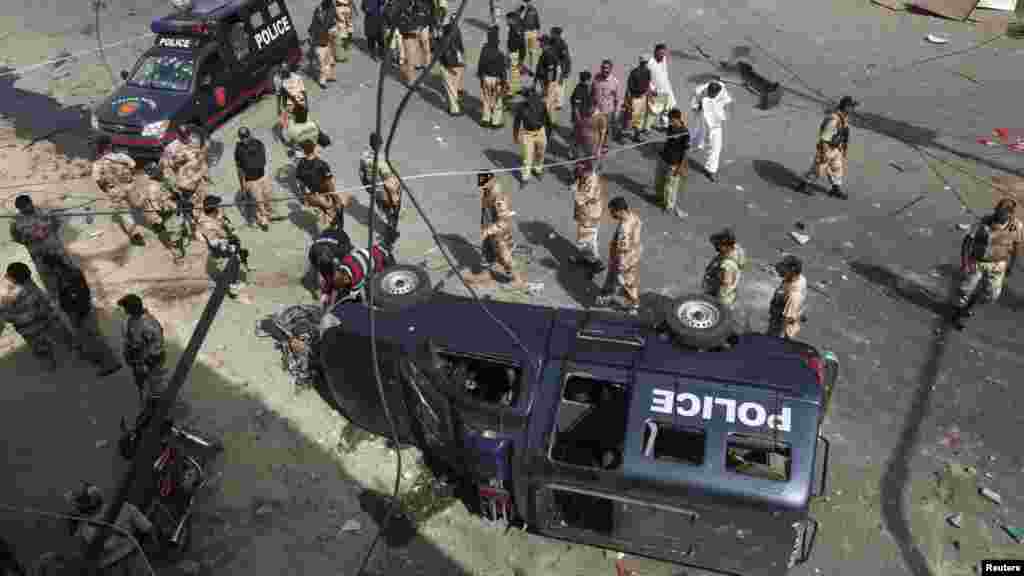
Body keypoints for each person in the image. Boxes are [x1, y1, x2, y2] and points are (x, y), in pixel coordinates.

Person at [41, 253, 121, 377]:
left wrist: (78, 315)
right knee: (92, 338)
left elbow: (79, 296)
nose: (47, 271)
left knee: (94, 339)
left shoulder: (67, 277)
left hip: (80, 312)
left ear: (53, 266)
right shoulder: (68, 274)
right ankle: (108, 362)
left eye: (47, 268)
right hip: (80, 312)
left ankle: (110, 364)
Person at [952, 198, 1023, 330]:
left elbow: (1017, 246)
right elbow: (967, 241)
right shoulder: (983, 221)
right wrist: (965, 263)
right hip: (977, 261)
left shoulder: (1016, 227)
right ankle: (958, 313)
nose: (997, 214)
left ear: (1010, 214)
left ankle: (970, 305)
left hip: (998, 264)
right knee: (965, 290)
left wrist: (1011, 266)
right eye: (997, 210)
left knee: (991, 295)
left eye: (1001, 212)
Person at [66, 483, 156, 576]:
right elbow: (149, 529)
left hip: (115, 566)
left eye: (77, 502)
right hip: (132, 558)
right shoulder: (124, 507)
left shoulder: (82, 526)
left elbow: (83, 555)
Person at [0, 262, 73, 372]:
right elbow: (5, 315)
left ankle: (71, 347)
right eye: (25, 280)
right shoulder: (5, 293)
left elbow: (40, 297)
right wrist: (28, 316)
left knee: (61, 335)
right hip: (29, 328)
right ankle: (50, 363)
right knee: (41, 347)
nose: (28, 281)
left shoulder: (26, 280)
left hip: (44, 320)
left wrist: (47, 309)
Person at [796, 96, 857, 199]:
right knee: (818, 170)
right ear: (846, 107)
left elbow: (844, 133)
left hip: (836, 148)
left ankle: (835, 189)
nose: (853, 109)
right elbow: (824, 138)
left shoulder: (844, 117)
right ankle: (803, 185)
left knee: (837, 168)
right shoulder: (833, 120)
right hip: (827, 148)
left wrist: (844, 149)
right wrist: (824, 153)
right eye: (851, 107)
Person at [9, 194, 68, 299]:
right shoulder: (16, 221)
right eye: (21, 208)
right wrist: (29, 239)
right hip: (38, 255)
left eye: (26, 206)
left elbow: (57, 223)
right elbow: (16, 237)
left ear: (30, 203)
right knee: (48, 277)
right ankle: (56, 298)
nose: (24, 209)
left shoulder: (45, 212)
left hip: (55, 249)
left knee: (66, 271)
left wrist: (47, 233)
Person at [92, 134, 147, 245]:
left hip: (115, 192)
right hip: (130, 187)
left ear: (98, 148)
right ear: (110, 145)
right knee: (140, 204)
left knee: (124, 214)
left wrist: (107, 190)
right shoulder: (122, 156)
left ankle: (136, 236)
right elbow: (133, 166)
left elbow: (98, 181)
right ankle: (155, 217)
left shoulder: (97, 165)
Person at [118, 293, 167, 412]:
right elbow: (128, 340)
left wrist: (146, 361)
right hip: (137, 359)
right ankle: (147, 402)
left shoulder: (149, 324)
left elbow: (157, 344)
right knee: (141, 381)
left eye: (126, 308)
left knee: (154, 383)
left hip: (150, 359)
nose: (124, 310)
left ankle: (157, 406)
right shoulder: (129, 321)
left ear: (133, 308)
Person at [596, 196, 642, 315]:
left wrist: (620, 267)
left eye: (613, 211)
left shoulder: (624, 229)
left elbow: (622, 249)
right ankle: (607, 294)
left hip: (624, 259)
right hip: (634, 254)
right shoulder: (634, 216)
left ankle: (633, 304)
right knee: (616, 278)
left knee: (626, 282)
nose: (612, 214)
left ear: (620, 211)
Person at [196, 196, 246, 299]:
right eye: (217, 206)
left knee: (235, 259)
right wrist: (229, 241)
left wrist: (230, 229)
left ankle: (231, 279)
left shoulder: (216, 213)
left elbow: (224, 221)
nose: (219, 207)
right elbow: (214, 242)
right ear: (213, 209)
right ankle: (232, 288)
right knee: (232, 265)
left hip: (225, 242)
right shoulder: (206, 224)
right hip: (219, 248)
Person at [316, 242, 394, 308]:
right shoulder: (347, 269)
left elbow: (355, 291)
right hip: (362, 266)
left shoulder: (348, 269)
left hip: (362, 267)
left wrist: (326, 294)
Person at [478, 171, 524, 284]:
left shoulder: (499, 198)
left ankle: (518, 280)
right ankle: (486, 272)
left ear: (491, 182)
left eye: (484, 183)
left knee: (506, 259)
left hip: (499, 235)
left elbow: (504, 222)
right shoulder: (487, 191)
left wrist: (488, 231)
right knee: (488, 254)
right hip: (489, 230)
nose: (482, 186)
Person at [295, 140, 352, 229]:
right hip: (324, 194)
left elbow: (300, 183)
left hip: (313, 196)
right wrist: (335, 199)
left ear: (304, 151)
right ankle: (338, 225)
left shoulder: (300, 165)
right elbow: (329, 183)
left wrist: (305, 198)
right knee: (341, 202)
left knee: (328, 210)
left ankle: (332, 219)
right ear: (313, 149)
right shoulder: (322, 164)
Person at [159, 124, 208, 224]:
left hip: (198, 178)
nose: (186, 138)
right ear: (177, 135)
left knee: (204, 201)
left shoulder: (194, 141)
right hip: (185, 181)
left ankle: (207, 221)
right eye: (183, 136)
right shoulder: (171, 148)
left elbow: (201, 157)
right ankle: (193, 223)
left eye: (187, 135)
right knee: (191, 206)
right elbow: (164, 165)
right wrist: (178, 161)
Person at [360, 133, 402, 245]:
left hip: (374, 190)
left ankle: (389, 230)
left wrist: (367, 188)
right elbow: (388, 181)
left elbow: (361, 173)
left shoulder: (364, 156)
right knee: (392, 213)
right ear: (380, 144)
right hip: (384, 191)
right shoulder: (381, 160)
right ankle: (390, 234)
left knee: (383, 210)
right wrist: (395, 197)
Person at [234, 127, 275, 230]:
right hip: (251, 180)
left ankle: (269, 214)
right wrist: (243, 187)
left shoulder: (258, 143)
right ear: (240, 138)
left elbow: (262, 162)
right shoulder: (238, 150)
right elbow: (240, 170)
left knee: (268, 196)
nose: (245, 139)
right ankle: (262, 219)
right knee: (258, 201)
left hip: (263, 176)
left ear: (250, 135)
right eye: (242, 137)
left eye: (246, 136)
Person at [690, 79, 732, 183]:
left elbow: (728, 103)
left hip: (716, 123)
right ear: (707, 90)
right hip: (702, 120)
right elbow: (693, 105)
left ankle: (710, 170)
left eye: (714, 94)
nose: (711, 96)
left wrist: (725, 114)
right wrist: (697, 106)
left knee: (716, 146)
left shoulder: (722, 90)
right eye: (710, 93)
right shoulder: (699, 91)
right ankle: (685, 148)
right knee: (697, 137)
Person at [568, 160, 606, 274]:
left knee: (586, 240)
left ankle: (595, 262)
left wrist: (574, 191)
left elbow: (582, 199)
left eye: (580, 172)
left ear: (587, 171)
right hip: (589, 213)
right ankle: (588, 258)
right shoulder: (588, 176)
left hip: (589, 214)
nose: (578, 174)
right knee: (589, 238)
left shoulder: (591, 182)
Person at [654, 108, 690, 216]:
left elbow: (686, 152)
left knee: (670, 187)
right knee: (658, 181)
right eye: (669, 120)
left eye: (671, 120)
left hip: (674, 164)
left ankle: (669, 206)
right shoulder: (670, 128)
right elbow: (668, 142)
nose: (670, 122)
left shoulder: (685, 134)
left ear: (677, 119)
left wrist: (680, 167)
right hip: (663, 159)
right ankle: (660, 198)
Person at [702, 228, 746, 310]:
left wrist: (714, 300)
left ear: (726, 246)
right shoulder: (737, 250)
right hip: (731, 296)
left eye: (718, 245)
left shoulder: (727, 265)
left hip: (720, 300)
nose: (716, 246)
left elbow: (725, 284)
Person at [513, 85, 548, 184]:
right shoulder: (521, 107)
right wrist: (515, 136)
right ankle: (525, 177)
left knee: (540, 153)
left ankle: (537, 169)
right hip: (527, 134)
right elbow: (517, 122)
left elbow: (547, 120)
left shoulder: (542, 104)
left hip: (540, 132)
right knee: (527, 158)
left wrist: (547, 135)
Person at [768, 255, 807, 339]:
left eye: (784, 271)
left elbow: (787, 318)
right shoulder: (799, 278)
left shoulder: (794, 295)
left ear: (792, 272)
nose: (780, 272)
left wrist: (780, 337)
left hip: (780, 329)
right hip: (777, 319)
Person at [477, 26, 508, 128]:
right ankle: (495, 121)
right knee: (497, 101)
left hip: (486, 77)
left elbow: (480, 66)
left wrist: (481, 77)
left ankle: (485, 119)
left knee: (486, 99)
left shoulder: (484, 51)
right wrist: (504, 82)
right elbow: (503, 71)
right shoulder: (500, 54)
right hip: (497, 80)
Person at [591, 59, 620, 157]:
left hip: (608, 111)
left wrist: (616, 112)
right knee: (595, 129)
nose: (604, 70)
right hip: (596, 110)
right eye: (603, 68)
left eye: (607, 68)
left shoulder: (615, 82)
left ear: (611, 69)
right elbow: (592, 92)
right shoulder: (596, 78)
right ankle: (595, 144)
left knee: (607, 130)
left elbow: (617, 98)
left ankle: (605, 146)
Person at [438, 14, 466, 116]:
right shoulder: (457, 31)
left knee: (450, 87)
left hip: (448, 64)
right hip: (457, 62)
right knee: (454, 85)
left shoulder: (445, 33)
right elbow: (461, 48)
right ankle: (455, 105)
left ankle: (454, 109)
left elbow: (441, 50)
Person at [622, 54, 654, 142]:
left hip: (641, 97)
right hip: (636, 98)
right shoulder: (638, 72)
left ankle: (635, 135)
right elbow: (630, 87)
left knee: (637, 117)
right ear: (646, 62)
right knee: (633, 117)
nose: (645, 63)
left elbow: (646, 85)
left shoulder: (644, 72)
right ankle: (629, 136)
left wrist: (648, 94)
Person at [646, 44, 676, 131]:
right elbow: (647, 78)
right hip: (656, 90)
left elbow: (665, 73)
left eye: (664, 53)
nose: (662, 56)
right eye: (661, 54)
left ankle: (665, 125)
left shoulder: (664, 60)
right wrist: (652, 89)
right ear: (655, 52)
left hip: (666, 87)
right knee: (654, 110)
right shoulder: (650, 63)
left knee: (668, 107)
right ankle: (646, 127)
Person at [533, 36, 561, 127]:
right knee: (550, 101)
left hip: (549, 82)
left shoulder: (548, 54)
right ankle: (551, 120)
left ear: (544, 43)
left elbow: (550, 70)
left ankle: (550, 122)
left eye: (540, 42)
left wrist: (548, 84)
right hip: (548, 81)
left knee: (549, 102)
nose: (539, 43)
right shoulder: (547, 52)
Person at [569, 70, 595, 160]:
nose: (589, 82)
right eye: (588, 80)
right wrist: (579, 121)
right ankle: (572, 153)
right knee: (576, 136)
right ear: (586, 80)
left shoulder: (587, 88)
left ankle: (577, 153)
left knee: (580, 136)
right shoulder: (579, 90)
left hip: (585, 117)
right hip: (579, 118)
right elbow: (576, 108)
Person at [310, 1, 337, 88]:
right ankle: (322, 82)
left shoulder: (331, 9)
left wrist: (333, 29)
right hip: (319, 42)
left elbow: (331, 21)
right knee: (322, 63)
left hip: (327, 40)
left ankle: (328, 77)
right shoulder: (319, 11)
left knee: (328, 61)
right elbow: (313, 26)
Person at [547, 27, 571, 110]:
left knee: (560, 85)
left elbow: (566, 59)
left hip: (559, 67)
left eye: (552, 33)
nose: (551, 34)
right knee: (551, 83)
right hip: (551, 66)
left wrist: (565, 72)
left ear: (557, 34)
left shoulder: (562, 44)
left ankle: (559, 104)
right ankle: (551, 100)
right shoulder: (550, 42)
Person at [278, 62, 307, 131]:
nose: (285, 70)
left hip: (300, 103)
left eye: (286, 67)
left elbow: (303, 91)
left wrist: (306, 104)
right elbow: (282, 97)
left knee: (303, 120)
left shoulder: (297, 77)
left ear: (289, 68)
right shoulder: (281, 82)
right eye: (283, 69)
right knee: (295, 122)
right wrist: (283, 108)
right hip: (291, 106)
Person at [517, 0, 541, 73]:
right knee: (522, 51)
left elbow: (537, 21)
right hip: (525, 32)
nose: (528, 4)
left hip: (532, 32)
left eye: (529, 2)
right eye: (526, 2)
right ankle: (520, 67)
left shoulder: (533, 10)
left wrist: (537, 31)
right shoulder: (521, 9)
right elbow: (518, 19)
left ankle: (531, 68)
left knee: (532, 51)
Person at [505, 11, 525, 96]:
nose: (506, 21)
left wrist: (511, 53)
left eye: (507, 19)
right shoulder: (517, 26)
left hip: (514, 52)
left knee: (513, 71)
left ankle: (512, 90)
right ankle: (518, 88)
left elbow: (519, 42)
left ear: (511, 19)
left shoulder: (515, 28)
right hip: (515, 51)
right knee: (515, 71)